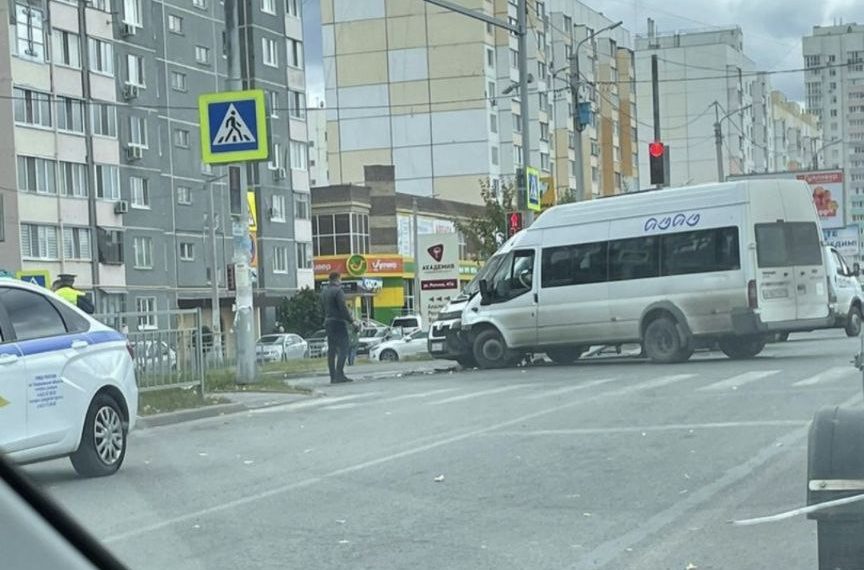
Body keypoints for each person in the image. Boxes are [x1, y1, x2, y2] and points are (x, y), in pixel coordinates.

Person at [320, 271, 357, 383]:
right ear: (337, 279)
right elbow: (343, 308)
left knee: (332, 350)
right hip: (338, 322)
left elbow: (321, 308)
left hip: (328, 322)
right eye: (340, 279)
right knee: (344, 347)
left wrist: (325, 319)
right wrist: (351, 321)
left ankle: (333, 376)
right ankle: (339, 373)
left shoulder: (324, 292)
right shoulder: (338, 291)